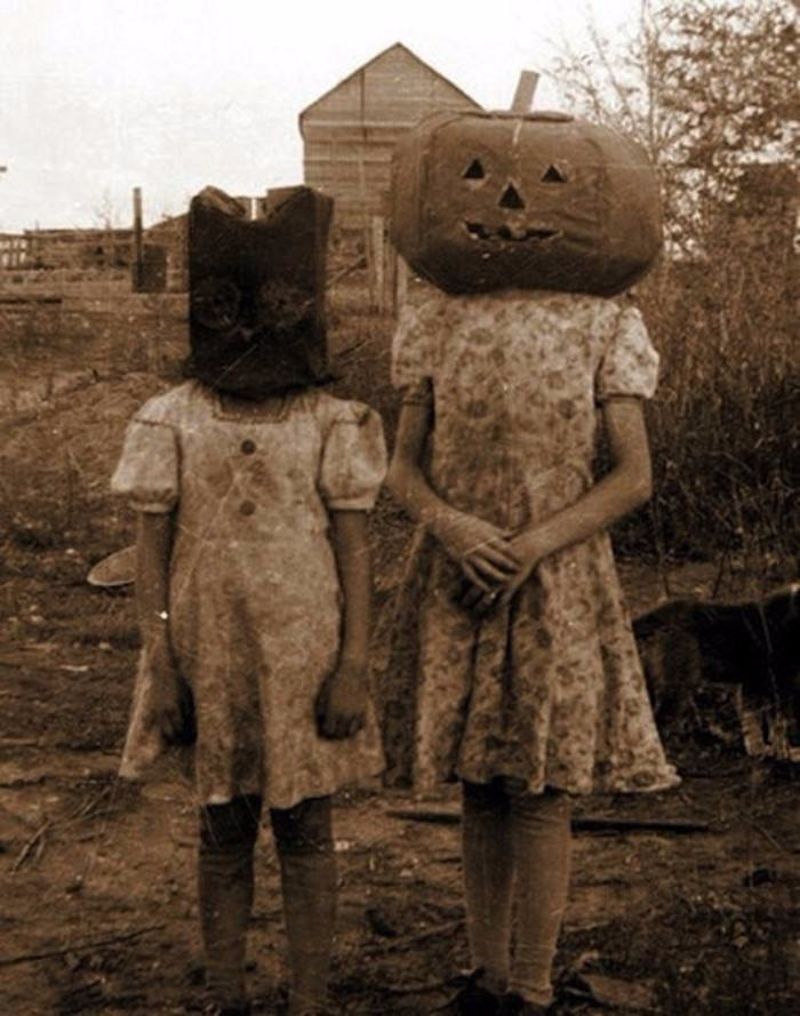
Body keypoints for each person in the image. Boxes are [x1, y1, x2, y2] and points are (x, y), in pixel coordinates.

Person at [385, 284, 680, 1015]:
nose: (514, 222)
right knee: (479, 781)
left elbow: (634, 478)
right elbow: (402, 471)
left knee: (540, 785)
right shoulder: (436, 315)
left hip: (556, 577)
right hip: (461, 575)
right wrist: (454, 528)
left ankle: (533, 987)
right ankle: (487, 979)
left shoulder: (605, 322)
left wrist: (533, 546)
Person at [112, 369, 387, 1015]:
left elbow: (354, 555)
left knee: (307, 831)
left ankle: (309, 1000)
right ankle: (225, 994)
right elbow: (151, 559)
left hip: (303, 665)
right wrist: (162, 665)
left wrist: (352, 665)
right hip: (211, 659)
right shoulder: (170, 418)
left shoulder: (329, 420)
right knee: (223, 829)